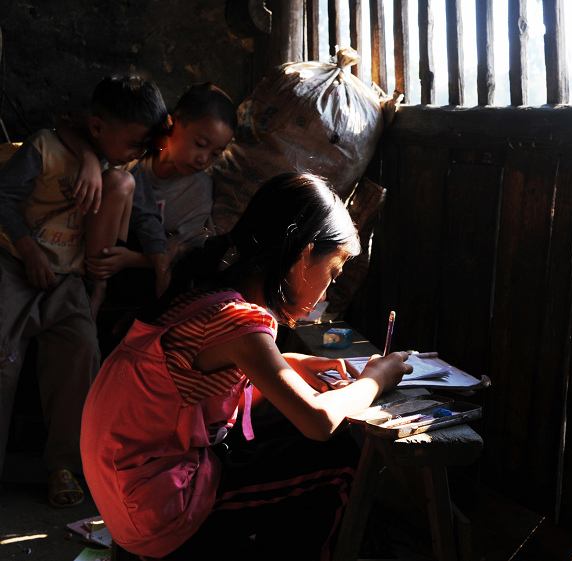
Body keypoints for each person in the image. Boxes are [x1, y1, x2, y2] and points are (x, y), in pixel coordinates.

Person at [81, 172, 412, 559]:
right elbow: (317, 422)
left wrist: (293, 365)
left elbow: (214, 382)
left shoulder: (205, 296)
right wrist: (376, 378)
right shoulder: (239, 323)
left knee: (283, 437)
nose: (328, 289)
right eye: (333, 272)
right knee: (337, 463)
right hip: (161, 512)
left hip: (131, 493)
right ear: (304, 254)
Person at [0, 73, 168, 507]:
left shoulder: (123, 170)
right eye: (134, 144)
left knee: (81, 355)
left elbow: (146, 213)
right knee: (2, 357)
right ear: (96, 128)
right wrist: (27, 250)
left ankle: (64, 465)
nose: (138, 154)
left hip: (68, 279)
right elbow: (2, 199)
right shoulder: (45, 149)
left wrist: (158, 260)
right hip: (15, 265)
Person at [84, 82, 237, 355]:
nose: (204, 159)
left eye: (215, 153)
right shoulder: (131, 155)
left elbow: (183, 254)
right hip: (94, 260)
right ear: (172, 124)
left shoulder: (198, 191)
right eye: (200, 144)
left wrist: (131, 259)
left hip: (142, 275)